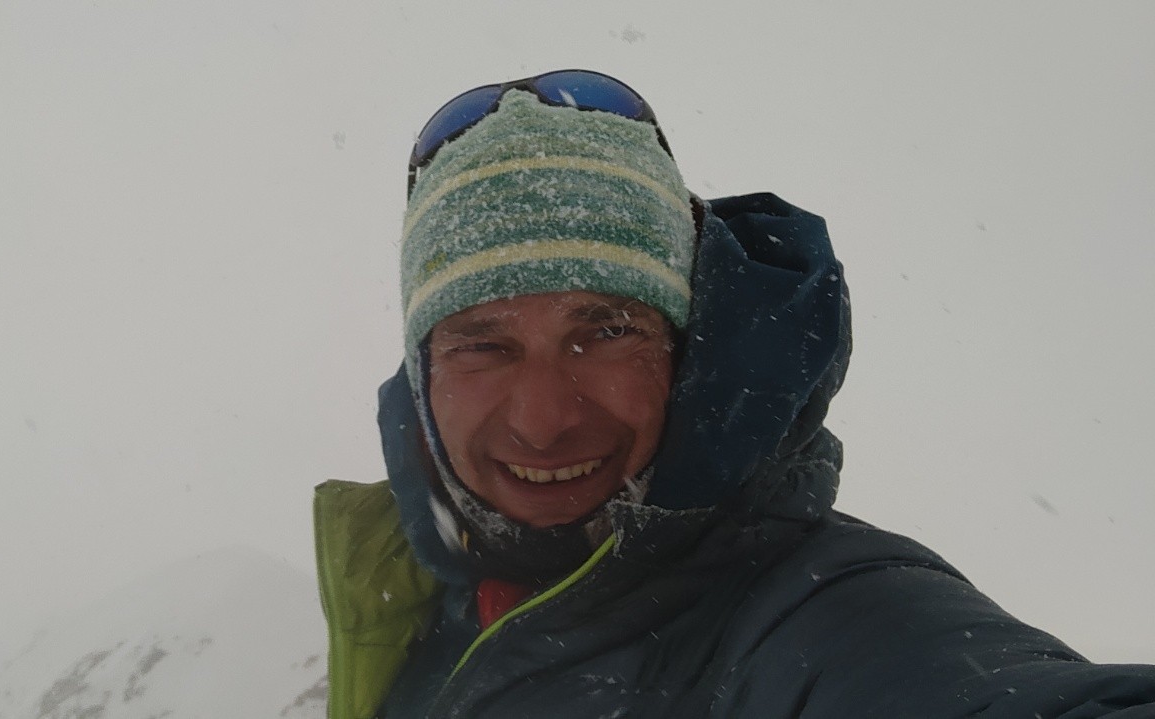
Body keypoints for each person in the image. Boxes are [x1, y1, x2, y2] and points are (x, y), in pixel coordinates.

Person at [313, 70, 1155, 719]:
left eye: (606, 331)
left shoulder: (823, 613)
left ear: (689, 351)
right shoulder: (415, 596)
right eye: (483, 345)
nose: (543, 420)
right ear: (423, 376)